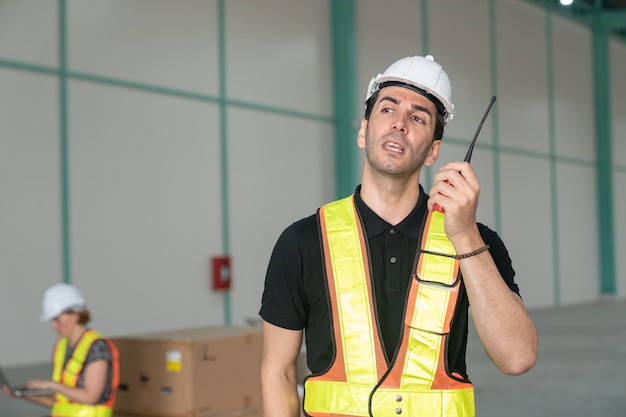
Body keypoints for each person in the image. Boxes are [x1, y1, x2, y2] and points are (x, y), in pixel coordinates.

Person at [259, 55, 538, 416]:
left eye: (418, 117)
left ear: (433, 151)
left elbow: (517, 357)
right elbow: (277, 372)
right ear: (364, 131)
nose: (400, 124)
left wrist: (465, 235)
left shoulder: (475, 242)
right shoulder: (303, 241)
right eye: (388, 110)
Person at [2, 283, 120, 417]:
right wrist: (21, 395)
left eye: (58, 320)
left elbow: (90, 397)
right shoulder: (62, 346)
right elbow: (58, 403)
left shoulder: (97, 348)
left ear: (75, 315)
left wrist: (52, 385)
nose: (54, 327)